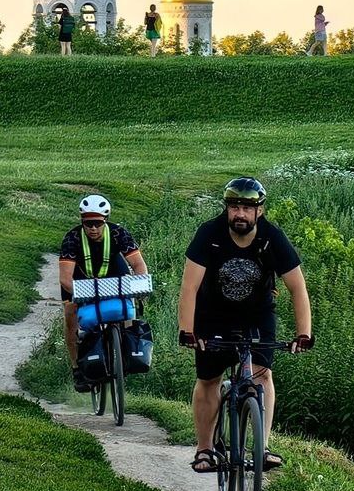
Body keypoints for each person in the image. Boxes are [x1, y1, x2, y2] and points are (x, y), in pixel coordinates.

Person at [177, 177, 313, 474]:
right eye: (234, 207)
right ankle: (204, 449)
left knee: (263, 377)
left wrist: (304, 333)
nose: (240, 213)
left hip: (258, 315)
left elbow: (297, 288)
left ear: (259, 211)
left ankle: (261, 448)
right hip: (212, 314)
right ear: (226, 209)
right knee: (209, 379)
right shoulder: (209, 234)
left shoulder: (272, 237)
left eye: (247, 208)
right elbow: (189, 288)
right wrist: (188, 331)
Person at [59, 194, 148, 392]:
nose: (93, 228)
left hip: (113, 272)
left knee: (128, 306)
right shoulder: (72, 239)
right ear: (82, 221)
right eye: (88, 223)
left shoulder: (119, 234)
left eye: (97, 223)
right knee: (70, 313)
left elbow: (138, 265)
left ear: (105, 220)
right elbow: (65, 279)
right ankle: (77, 368)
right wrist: (81, 295)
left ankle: (126, 351)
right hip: (80, 279)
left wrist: (140, 285)